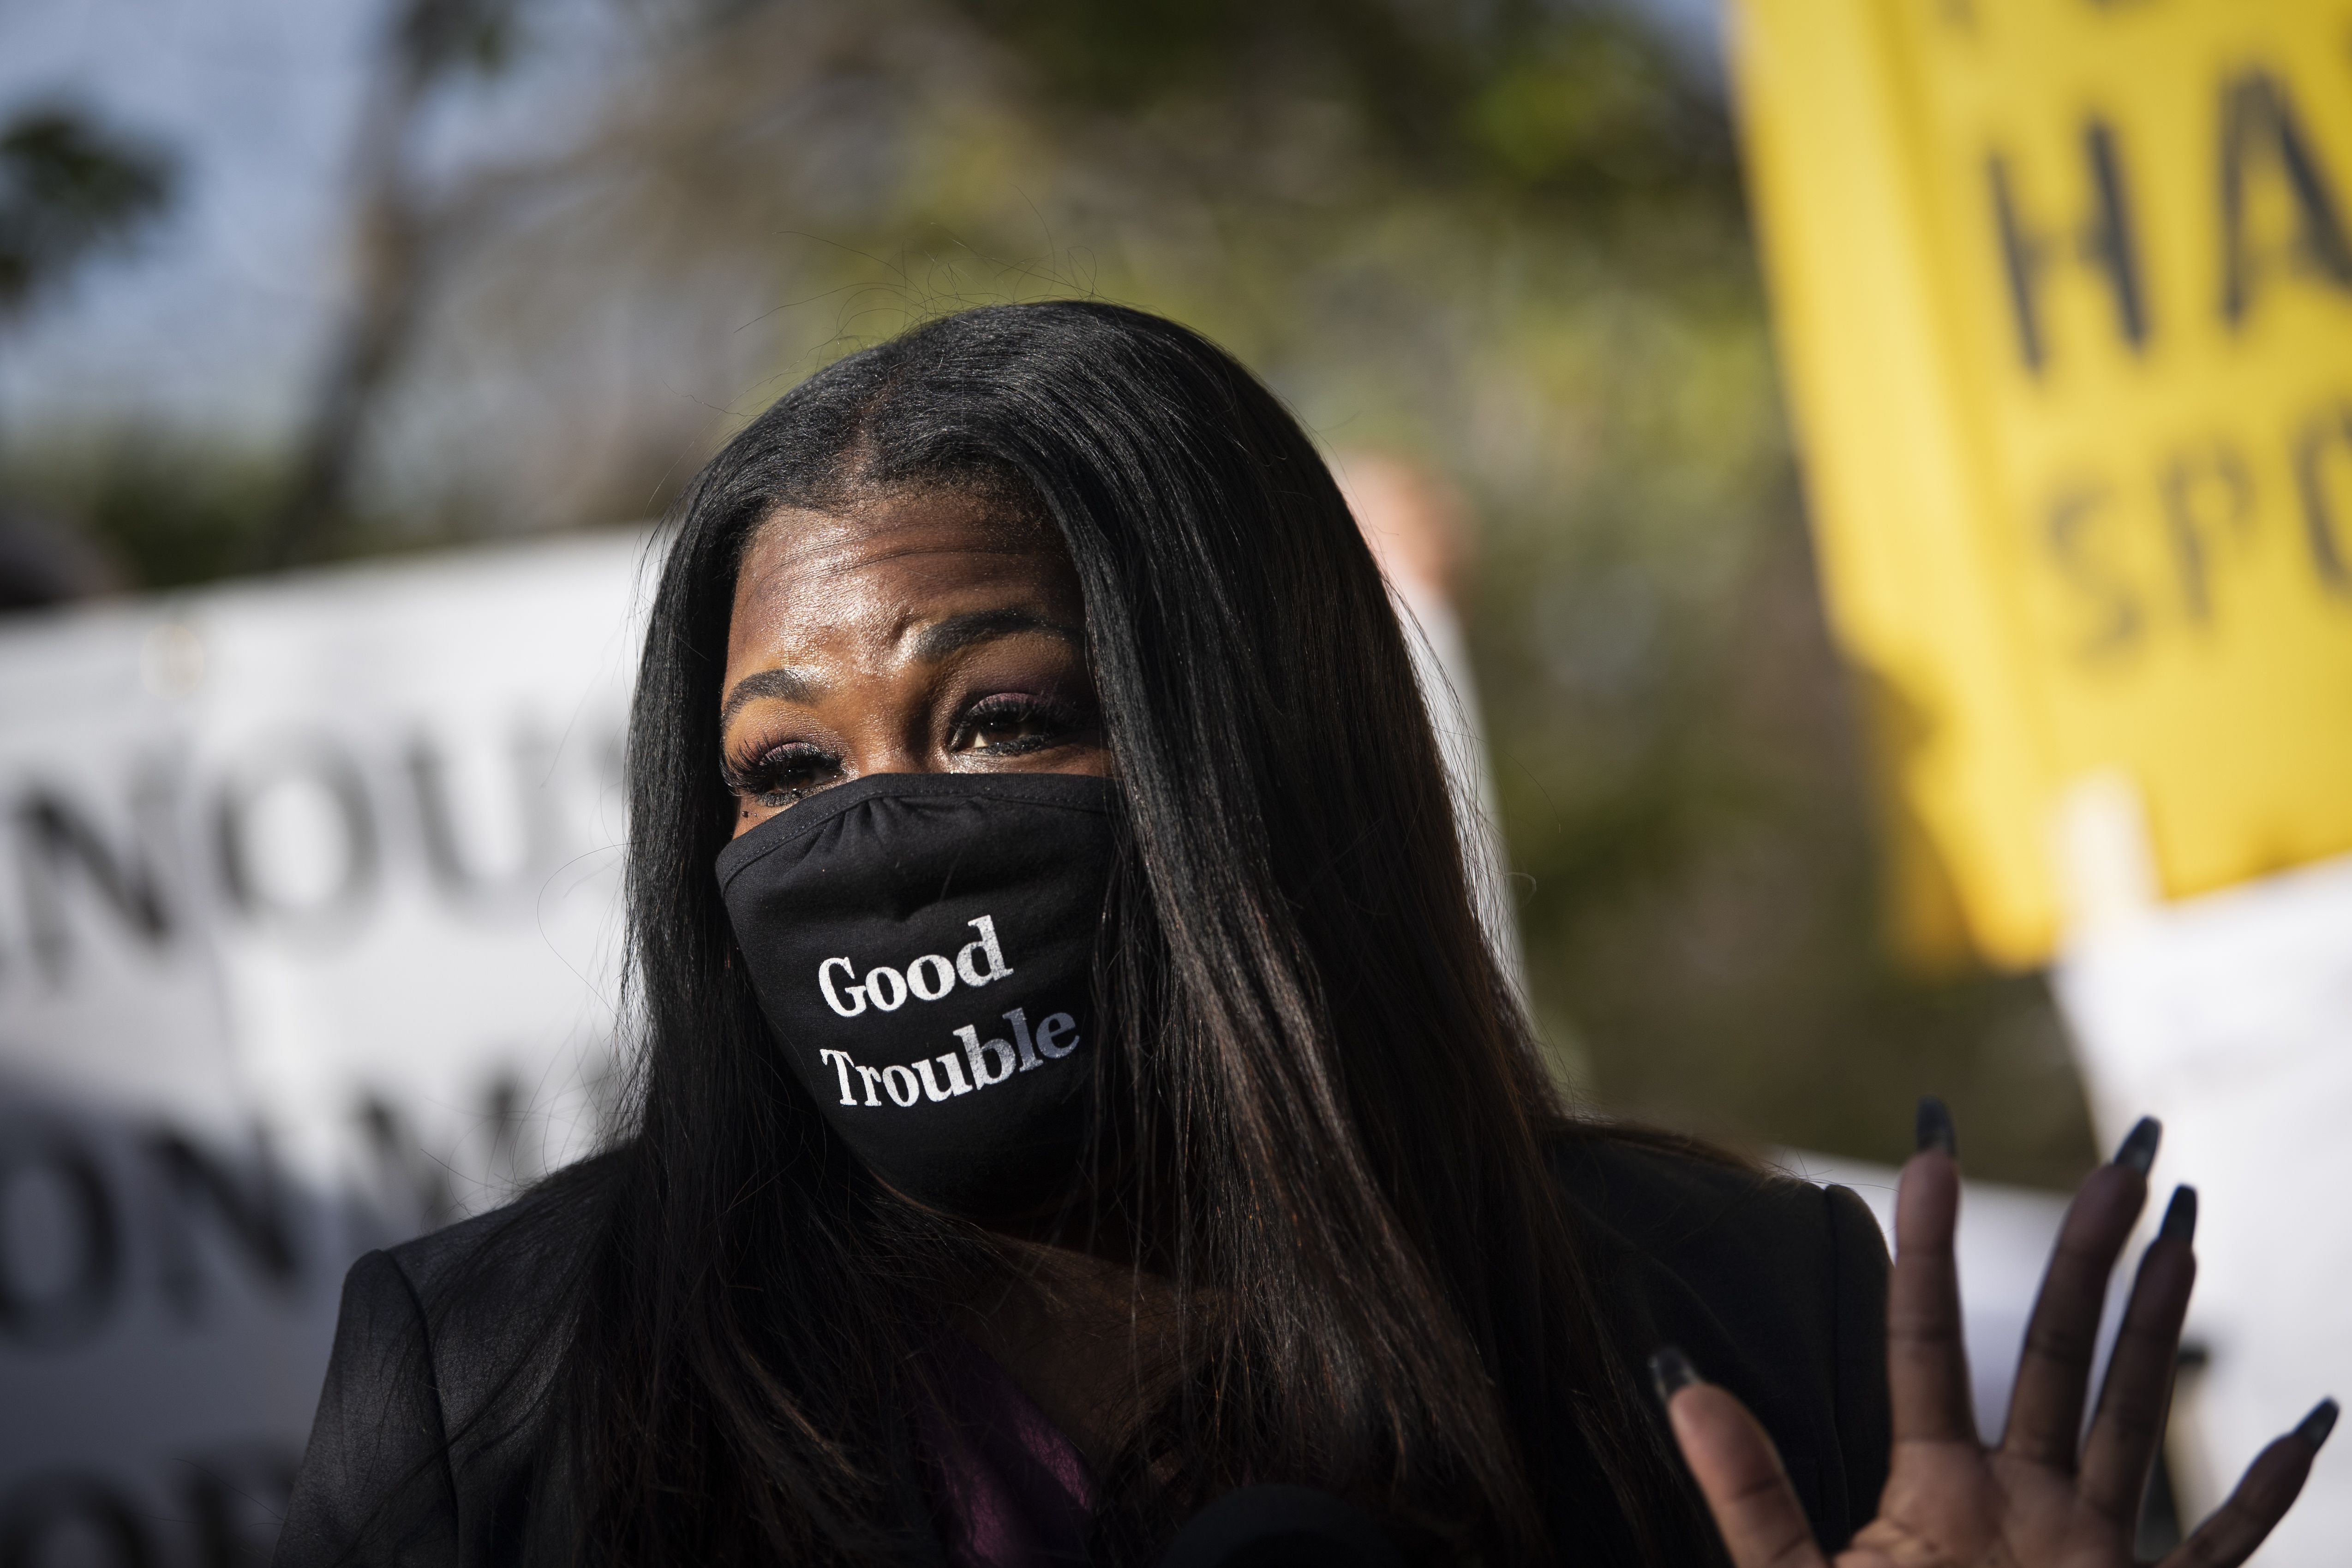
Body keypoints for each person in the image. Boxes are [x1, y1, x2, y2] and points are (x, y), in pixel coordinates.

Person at [274, 302, 2329, 1568]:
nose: (880, 833)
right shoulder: (506, 1385)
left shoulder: (1723, 1314)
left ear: (1253, 753)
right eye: (787, 771)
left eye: (1000, 718)